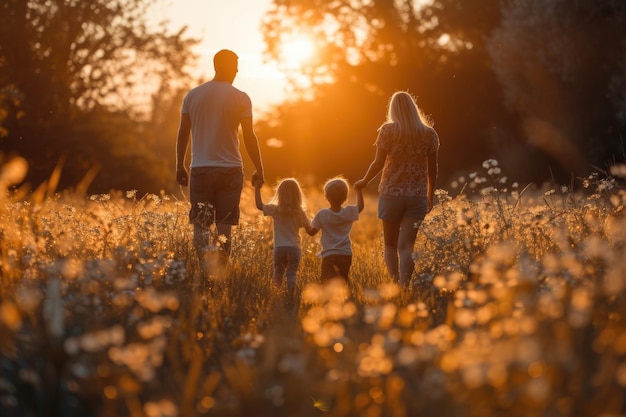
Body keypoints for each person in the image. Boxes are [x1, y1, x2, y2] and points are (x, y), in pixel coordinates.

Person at [175, 49, 264, 270]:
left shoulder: (193, 95)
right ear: (224, 66)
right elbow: (249, 137)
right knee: (224, 229)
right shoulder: (241, 97)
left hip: (201, 170)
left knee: (201, 227)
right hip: (230, 171)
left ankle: (203, 271)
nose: (237, 70)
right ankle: (220, 274)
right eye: (235, 65)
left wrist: (180, 165)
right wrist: (260, 168)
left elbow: (183, 132)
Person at [354, 91, 439, 286]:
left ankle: (394, 287)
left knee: (390, 245)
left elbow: (378, 163)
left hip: (391, 194)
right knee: (407, 246)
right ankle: (405, 288)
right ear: (413, 108)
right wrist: (429, 195)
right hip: (417, 196)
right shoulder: (429, 134)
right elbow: (432, 170)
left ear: (393, 109)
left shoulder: (388, 130)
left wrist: (364, 181)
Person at [254, 177, 315, 303]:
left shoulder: (275, 209)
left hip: (279, 248)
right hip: (294, 249)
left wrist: (256, 188)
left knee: (278, 271)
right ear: (298, 195)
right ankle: (291, 296)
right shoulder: (300, 212)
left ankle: (275, 294)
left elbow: (259, 205)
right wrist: (321, 222)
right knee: (291, 272)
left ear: (279, 194)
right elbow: (310, 231)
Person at [308, 177, 364, 282]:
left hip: (329, 254)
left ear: (326, 196)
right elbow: (360, 206)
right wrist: (359, 190)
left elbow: (311, 232)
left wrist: (304, 220)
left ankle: (328, 298)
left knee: (326, 281)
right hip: (346, 254)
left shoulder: (322, 214)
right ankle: (344, 298)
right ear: (345, 197)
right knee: (342, 281)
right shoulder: (348, 212)